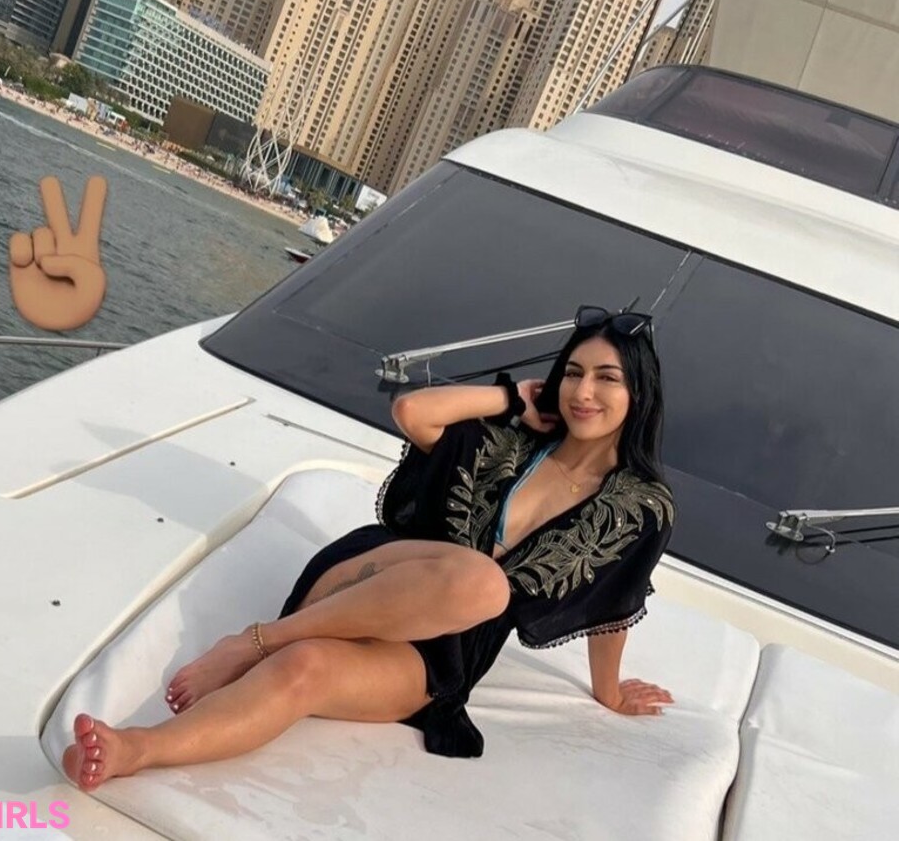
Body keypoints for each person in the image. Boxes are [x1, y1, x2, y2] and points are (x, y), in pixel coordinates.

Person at [63, 305, 676, 785]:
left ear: (639, 394)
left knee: (305, 671)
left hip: (444, 652)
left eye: (606, 379)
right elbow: (414, 411)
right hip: (377, 577)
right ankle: (253, 642)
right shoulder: (511, 440)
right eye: (573, 373)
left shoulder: (639, 509)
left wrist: (610, 691)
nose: (582, 392)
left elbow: (614, 605)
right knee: (482, 581)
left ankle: (134, 749)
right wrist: (511, 397)